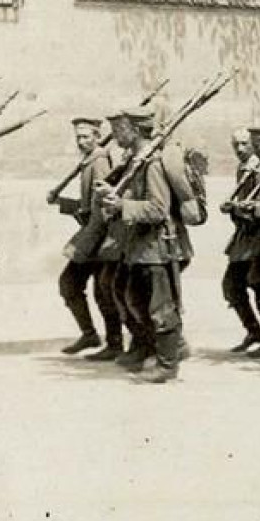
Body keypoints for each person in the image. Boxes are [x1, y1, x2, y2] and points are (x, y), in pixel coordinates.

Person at [98, 106, 192, 383]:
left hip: (157, 249)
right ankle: (155, 351)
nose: (114, 135)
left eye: (119, 129)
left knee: (161, 307)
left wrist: (121, 205)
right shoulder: (136, 161)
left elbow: (159, 209)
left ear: (136, 130)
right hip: (139, 248)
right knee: (133, 299)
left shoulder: (151, 164)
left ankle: (167, 364)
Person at [50, 116, 117, 355]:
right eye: (78, 137)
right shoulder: (89, 160)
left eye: (86, 137)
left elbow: (101, 209)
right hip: (92, 233)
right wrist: (62, 202)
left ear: (98, 137)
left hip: (98, 237)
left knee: (93, 289)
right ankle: (93, 337)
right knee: (85, 287)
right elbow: (87, 205)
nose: (81, 141)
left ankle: (110, 343)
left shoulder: (98, 162)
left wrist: (88, 244)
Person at [221, 127, 260, 354]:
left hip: (259, 238)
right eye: (236, 145)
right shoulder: (243, 168)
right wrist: (233, 208)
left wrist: (243, 210)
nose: (241, 149)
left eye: (245, 144)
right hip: (244, 238)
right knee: (233, 287)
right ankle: (254, 331)